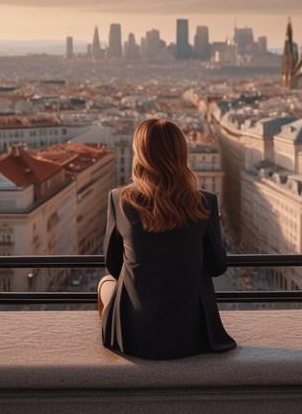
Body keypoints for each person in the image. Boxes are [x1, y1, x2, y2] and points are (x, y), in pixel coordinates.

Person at [98, 119, 236, 360]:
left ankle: (111, 335)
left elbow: (113, 266)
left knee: (104, 284)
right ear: (181, 153)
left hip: (134, 338)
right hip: (190, 336)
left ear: (139, 154)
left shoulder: (119, 200)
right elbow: (217, 267)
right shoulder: (205, 202)